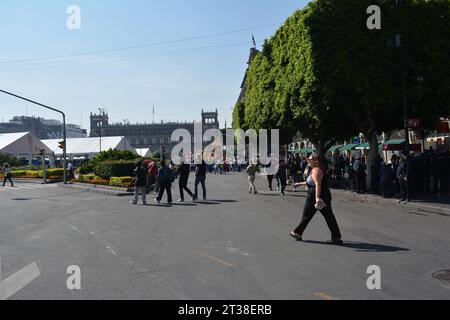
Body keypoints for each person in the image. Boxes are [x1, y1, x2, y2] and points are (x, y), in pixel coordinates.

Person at [290, 154, 343, 245]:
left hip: (316, 195)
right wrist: (298, 184)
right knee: (329, 217)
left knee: (307, 215)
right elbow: (310, 182)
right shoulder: (316, 170)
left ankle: (298, 233)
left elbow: (318, 184)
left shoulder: (316, 170)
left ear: (316, 161)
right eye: (307, 159)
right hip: (324, 195)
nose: (308, 160)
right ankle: (336, 237)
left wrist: (317, 198)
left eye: (309, 159)